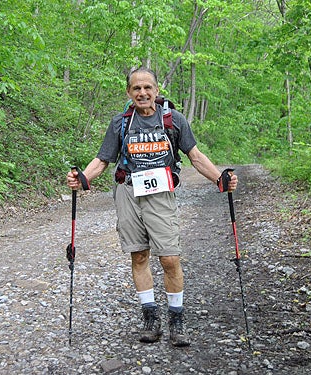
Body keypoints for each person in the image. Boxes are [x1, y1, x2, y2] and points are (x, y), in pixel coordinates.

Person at [66, 67, 237, 347]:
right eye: (136, 88)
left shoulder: (173, 120)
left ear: (156, 91)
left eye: (147, 88)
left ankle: (176, 319)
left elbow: (195, 156)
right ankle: (150, 317)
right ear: (129, 93)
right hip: (128, 192)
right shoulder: (120, 122)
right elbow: (102, 160)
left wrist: (221, 178)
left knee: (170, 258)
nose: (142, 93)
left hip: (161, 194)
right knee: (139, 256)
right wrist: (81, 179)